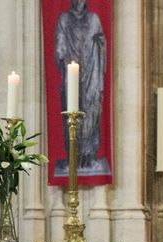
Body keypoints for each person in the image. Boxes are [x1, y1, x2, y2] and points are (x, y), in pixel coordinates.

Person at [55, 0, 106, 170]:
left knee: (91, 111)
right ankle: (74, 157)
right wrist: (63, 56)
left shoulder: (93, 19)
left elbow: (101, 44)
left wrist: (99, 44)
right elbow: (59, 48)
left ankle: (89, 156)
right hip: (72, 78)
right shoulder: (64, 19)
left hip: (92, 74)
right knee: (71, 113)